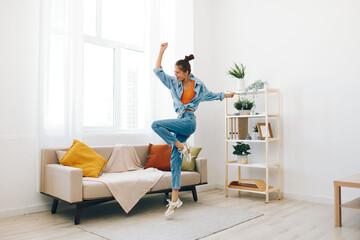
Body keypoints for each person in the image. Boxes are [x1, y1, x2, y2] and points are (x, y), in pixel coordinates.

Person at [151, 42, 235, 216]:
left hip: (189, 121)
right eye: (174, 72)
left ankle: (182, 147)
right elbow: (158, 71)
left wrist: (226, 95)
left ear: (186, 72)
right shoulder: (173, 83)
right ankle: (175, 200)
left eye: (178, 72)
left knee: (156, 124)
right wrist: (161, 51)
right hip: (180, 120)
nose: (175, 75)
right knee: (175, 160)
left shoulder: (199, 86)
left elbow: (212, 95)